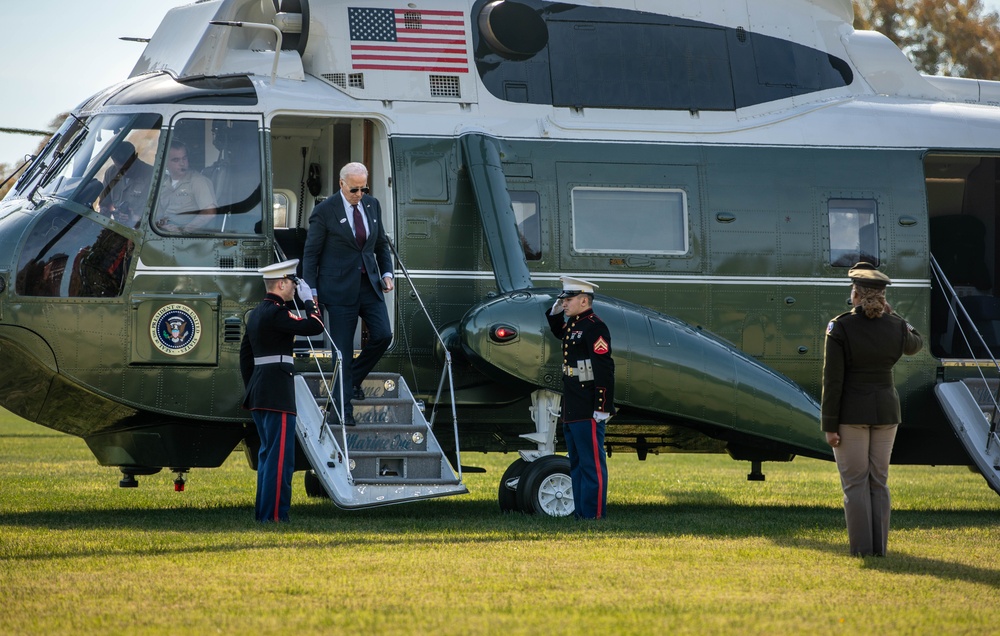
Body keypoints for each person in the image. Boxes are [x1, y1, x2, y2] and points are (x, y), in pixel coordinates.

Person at [821, 262, 923, 556]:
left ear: (855, 294)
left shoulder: (839, 327)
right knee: (879, 481)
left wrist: (829, 424)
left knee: (855, 483)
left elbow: (833, 380)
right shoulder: (894, 326)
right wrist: (895, 314)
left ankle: (863, 551)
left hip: (851, 415)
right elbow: (916, 343)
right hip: (886, 414)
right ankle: (879, 550)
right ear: (882, 297)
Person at [302, 162, 394, 425]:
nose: (359, 194)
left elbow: (380, 244)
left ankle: (350, 381)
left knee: (383, 335)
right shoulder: (324, 211)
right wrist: (312, 292)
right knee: (341, 351)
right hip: (338, 289)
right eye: (354, 189)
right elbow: (311, 254)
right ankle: (341, 411)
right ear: (341, 184)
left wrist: (387, 273)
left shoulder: (371, 204)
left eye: (364, 188)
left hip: (369, 284)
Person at [239, 259, 325, 522]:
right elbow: (315, 326)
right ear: (281, 283)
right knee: (280, 460)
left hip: (260, 390)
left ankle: (264, 514)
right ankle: (275, 516)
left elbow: (245, 356)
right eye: (293, 283)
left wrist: (253, 386)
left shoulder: (256, 314)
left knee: (267, 456)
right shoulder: (277, 313)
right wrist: (310, 301)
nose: (294, 288)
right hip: (277, 391)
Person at [545, 276, 616, 519]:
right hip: (573, 403)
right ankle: (581, 514)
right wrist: (555, 312)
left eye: (568, 299)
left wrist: (602, 405)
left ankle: (594, 515)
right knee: (576, 463)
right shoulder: (574, 325)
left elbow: (604, 368)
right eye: (563, 299)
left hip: (588, 405)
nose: (564, 303)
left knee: (591, 464)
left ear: (584, 300)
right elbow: (559, 333)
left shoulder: (595, 326)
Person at [154, 140, 218, 232]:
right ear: (165, 163)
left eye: (184, 158)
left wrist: (183, 230)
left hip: (187, 237)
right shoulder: (163, 184)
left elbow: (209, 212)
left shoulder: (198, 181)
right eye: (176, 160)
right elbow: (158, 216)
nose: (182, 163)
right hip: (164, 232)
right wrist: (161, 226)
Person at [98, 141, 153, 228]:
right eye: (121, 169)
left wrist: (135, 218)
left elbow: (160, 217)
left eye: (129, 167)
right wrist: (105, 211)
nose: (126, 172)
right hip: (118, 229)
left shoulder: (151, 175)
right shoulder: (111, 173)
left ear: (135, 157)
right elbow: (105, 204)